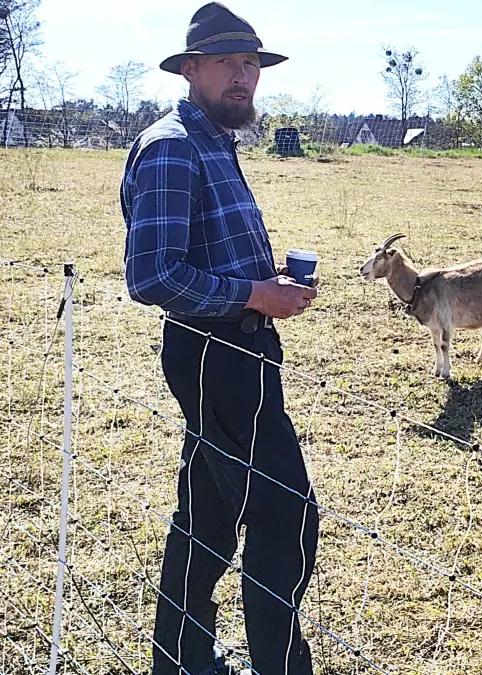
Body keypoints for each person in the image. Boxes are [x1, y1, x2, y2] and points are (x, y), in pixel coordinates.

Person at [120, 4, 319, 674]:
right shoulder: (176, 145)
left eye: (252, 63)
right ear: (191, 69)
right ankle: (280, 665)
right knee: (286, 514)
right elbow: (151, 276)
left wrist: (267, 280)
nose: (244, 76)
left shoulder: (215, 139)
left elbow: (204, 256)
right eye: (228, 63)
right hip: (217, 355)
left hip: (235, 351)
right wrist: (255, 295)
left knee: (207, 514)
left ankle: (179, 659)